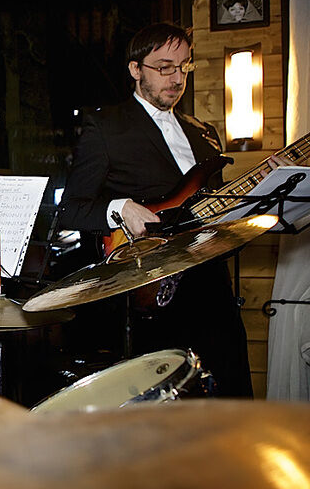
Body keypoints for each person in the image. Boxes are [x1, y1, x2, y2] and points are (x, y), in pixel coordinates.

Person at [59, 22, 258, 397]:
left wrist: (257, 197)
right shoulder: (106, 126)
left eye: (184, 66)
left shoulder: (204, 132)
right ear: (135, 69)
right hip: (151, 293)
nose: (177, 78)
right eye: (164, 67)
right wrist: (121, 207)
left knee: (230, 404)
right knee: (167, 412)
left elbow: (213, 209)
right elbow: (70, 209)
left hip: (212, 287)